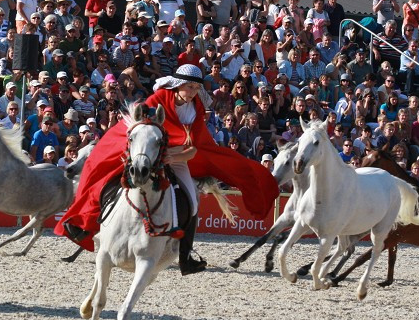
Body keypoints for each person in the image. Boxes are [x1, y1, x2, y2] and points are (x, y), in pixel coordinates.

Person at [56, 64, 279, 274]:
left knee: (191, 202)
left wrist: (173, 157)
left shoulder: (195, 109)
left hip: (177, 156)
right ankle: (84, 222)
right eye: (189, 87)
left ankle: (186, 255)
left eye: (196, 88)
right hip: (147, 149)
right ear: (177, 84)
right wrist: (154, 152)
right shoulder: (160, 98)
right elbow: (142, 127)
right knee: (106, 173)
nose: (192, 92)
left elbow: (195, 149)